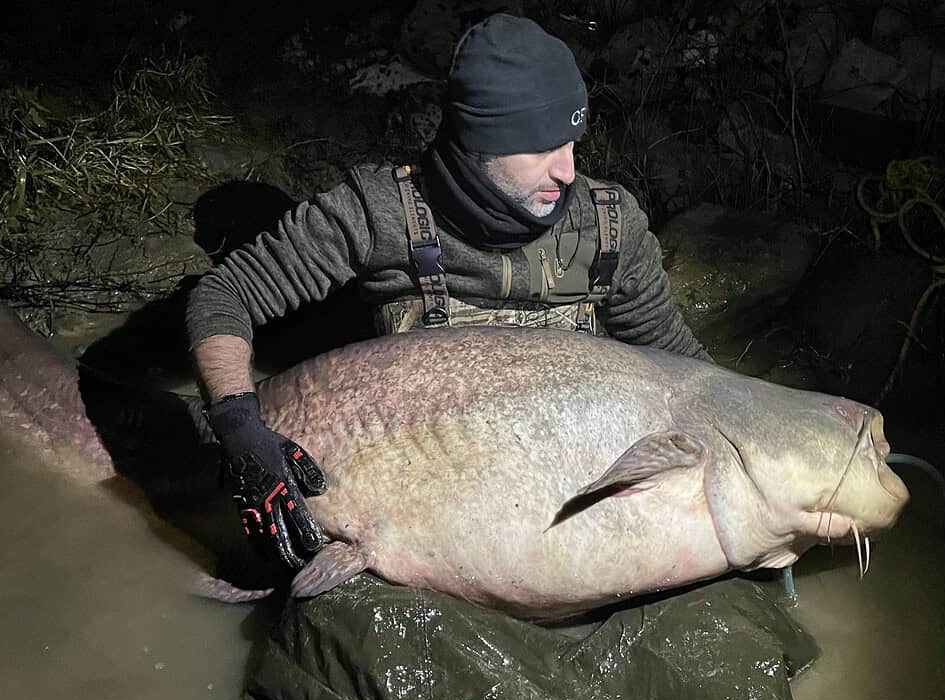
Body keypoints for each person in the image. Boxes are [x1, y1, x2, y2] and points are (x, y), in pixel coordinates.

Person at [187, 13, 712, 573]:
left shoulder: (611, 227)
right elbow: (225, 295)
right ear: (476, 142)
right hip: (420, 500)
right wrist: (240, 425)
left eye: (572, 142)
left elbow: (682, 366)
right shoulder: (379, 213)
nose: (567, 171)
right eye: (538, 148)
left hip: (559, 493)